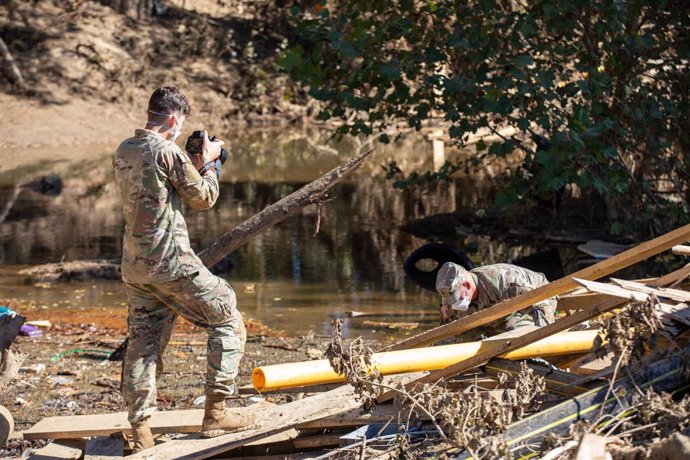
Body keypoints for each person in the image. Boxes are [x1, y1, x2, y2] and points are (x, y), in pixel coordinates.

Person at [112, 86, 253, 452]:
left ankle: (140, 430)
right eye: (180, 124)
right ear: (174, 120)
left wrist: (189, 159)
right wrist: (211, 162)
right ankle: (216, 414)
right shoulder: (167, 150)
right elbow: (203, 198)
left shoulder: (124, 149)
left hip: (136, 265)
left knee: (143, 343)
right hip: (171, 262)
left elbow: (157, 189)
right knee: (226, 316)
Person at [435, 262, 556, 333]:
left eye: (456, 297)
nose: (454, 304)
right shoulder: (454, 296)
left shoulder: (505, 281)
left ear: (466, 285)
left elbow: (541, 301)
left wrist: (543, 335)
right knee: (467, 336)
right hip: (499, 310)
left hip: (538, 296)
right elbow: (448, 330)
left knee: (512, 332)